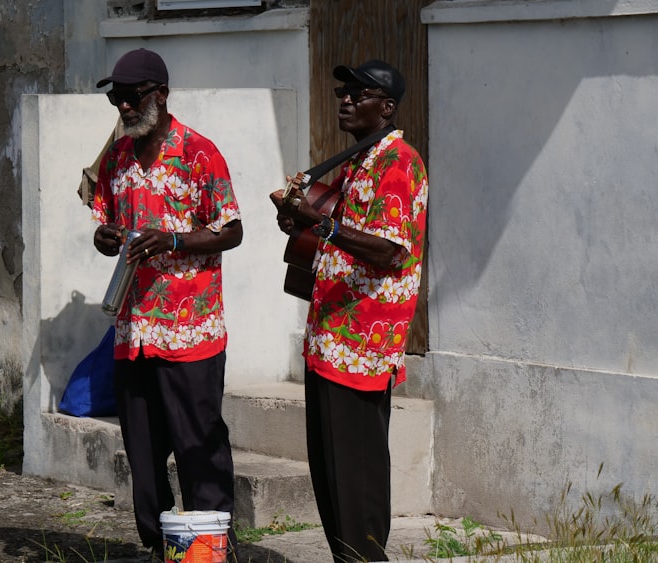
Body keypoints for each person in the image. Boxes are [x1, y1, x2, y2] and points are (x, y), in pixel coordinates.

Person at [269, 59, 428, 562]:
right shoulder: (358, 162)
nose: (346, 100)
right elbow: (329, 236)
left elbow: (390, 250)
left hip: (361, 345)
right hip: (331, 339)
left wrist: (320, 222)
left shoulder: (399, 163)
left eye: (359, 94)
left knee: (355, 474)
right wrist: (301, 224)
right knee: (331, 473)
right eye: (344, 92)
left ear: (386, 107)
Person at [91, 48, 243, 561]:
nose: (124, 109)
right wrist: (107, 238)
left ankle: (211, 549)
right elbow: (105, 221)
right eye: (117, 99)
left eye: (131, 98)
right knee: (144, 456)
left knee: (199, 447)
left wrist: (173, 241)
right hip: (133, 332)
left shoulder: (200, 153)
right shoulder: (116, 157)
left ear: (160, 94)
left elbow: (232, 230)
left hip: (190, 333)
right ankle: (161, 548)